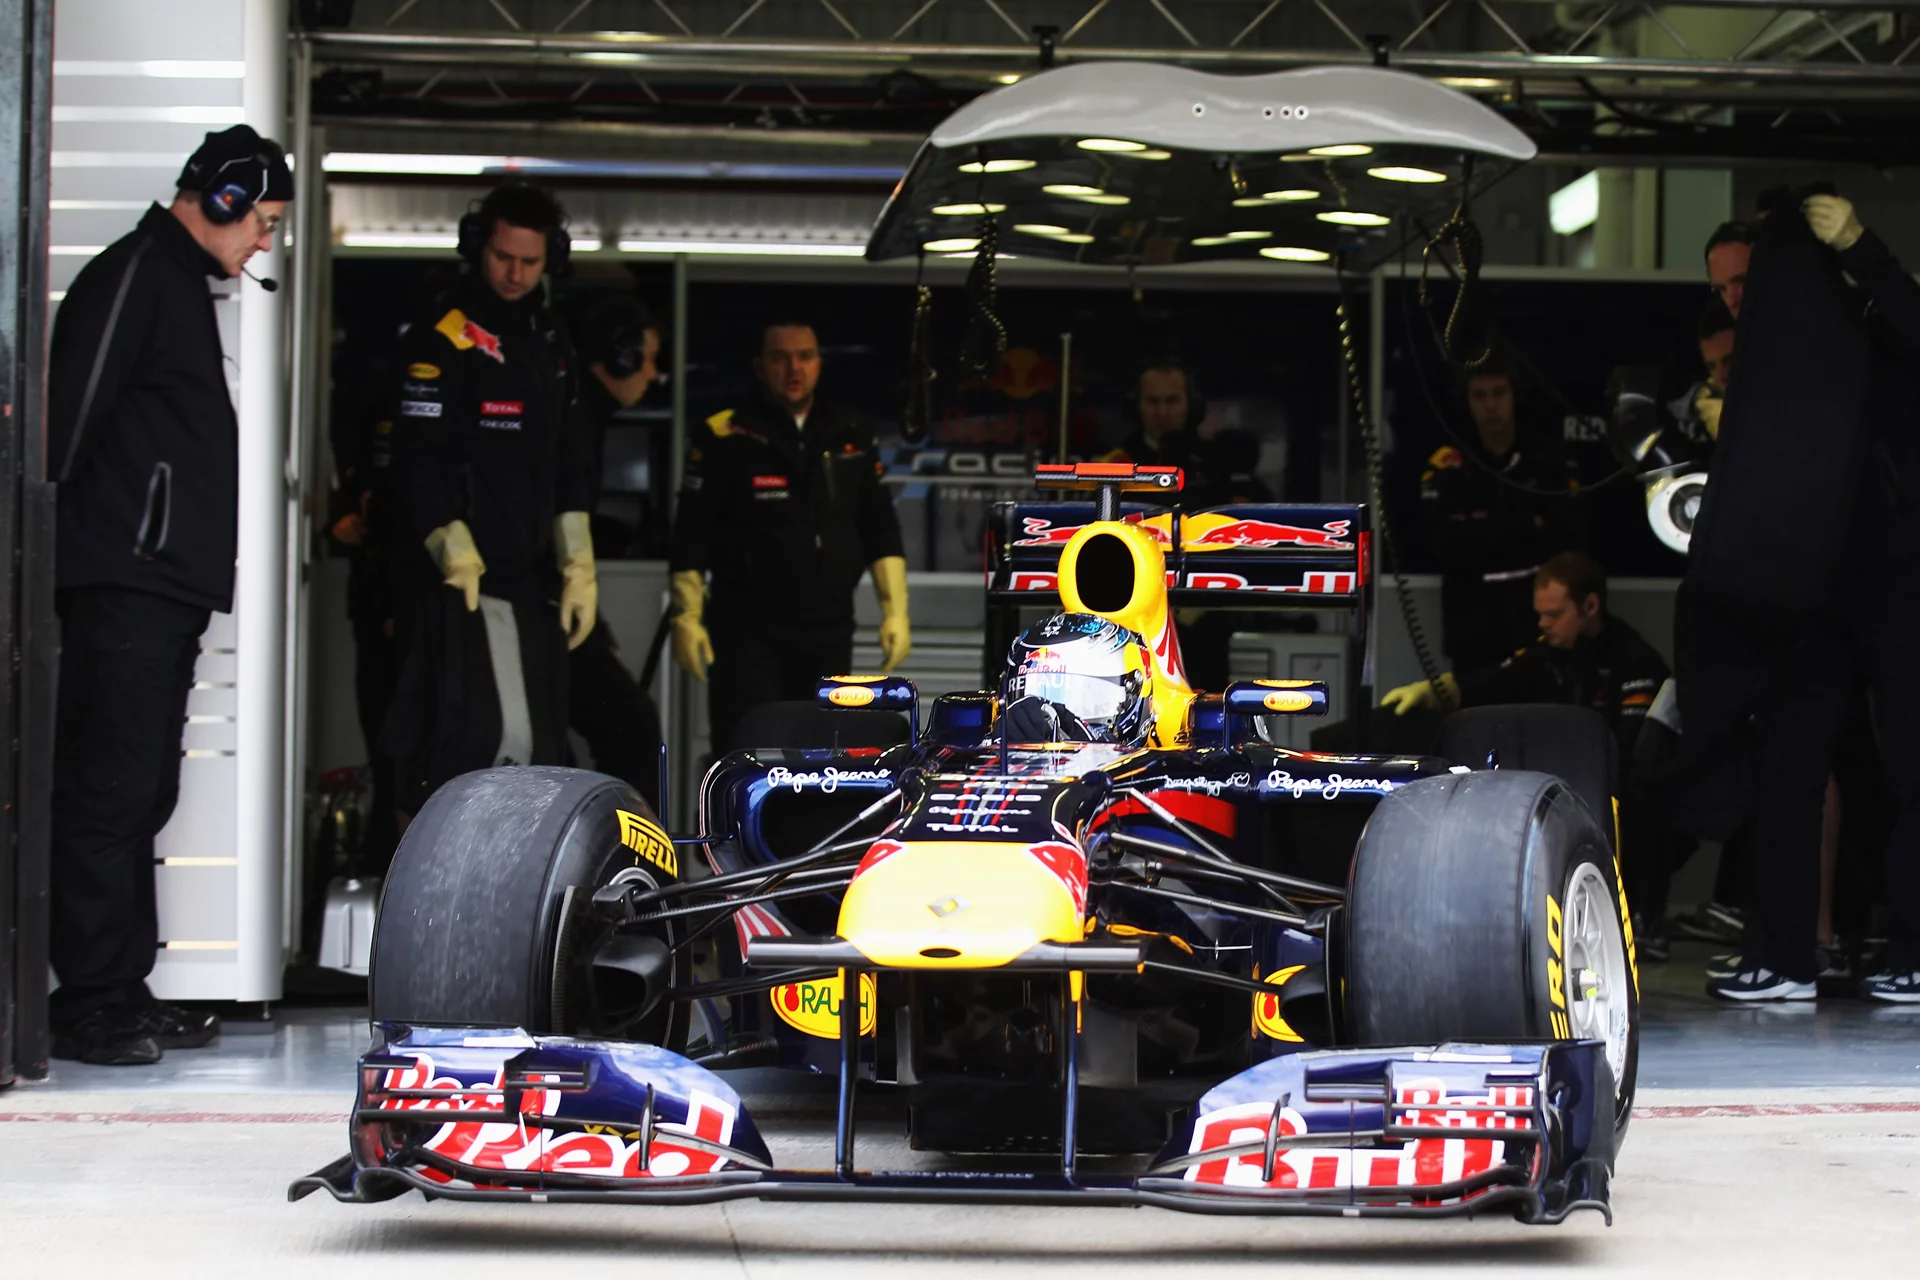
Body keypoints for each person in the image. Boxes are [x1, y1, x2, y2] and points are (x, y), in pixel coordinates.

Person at [44, 125, 293, 1065]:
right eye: (262, 220)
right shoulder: (137, 275)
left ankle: (122, 984)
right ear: (223, 200)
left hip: (161, 588)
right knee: (108, 792)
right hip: (123, 585)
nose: (263, 241)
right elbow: (66, 424)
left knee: (143, 788)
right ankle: (90, 1002)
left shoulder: (179, 287)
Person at [1677, 191, 1920, 1003]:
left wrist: (1865, 254)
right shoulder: (1759, 366)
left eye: (1747, 280)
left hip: (1896, 576)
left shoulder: (1871, 318)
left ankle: (1911, 949)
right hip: (1810, 583)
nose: (1737, 300)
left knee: (1913, 760)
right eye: (1726, 289)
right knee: (1787, 763)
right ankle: (1787, 954)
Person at [381, 182, 596, 812]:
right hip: (459, 583)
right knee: (472, 741)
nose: (515, 273)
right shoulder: (441, 336)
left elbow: (568, 461)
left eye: (530, 262)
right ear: (478, 248)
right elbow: (417, 456)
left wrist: (579, 563)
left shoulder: (551, 341)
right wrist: (450, 541)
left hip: (532, 578)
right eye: (504, 257)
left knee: (539, 741)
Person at [670, 321, 910, 755]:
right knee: (745, 748)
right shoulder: (725, 435)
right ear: (761, 366)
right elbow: (691, 530)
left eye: (804, 356)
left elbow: (879, 525)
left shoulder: (850, 432)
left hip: (828, 625)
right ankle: (731, 825)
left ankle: (815, 826)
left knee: (823, 751)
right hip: (746, 628)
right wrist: (686, 616)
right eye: (780, 358)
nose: (793, 367)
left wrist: (896, 612)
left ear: (819, 364)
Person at [1419, 355, 1579, 674]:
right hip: (1472, 633)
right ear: (1467, 401)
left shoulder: (1549, 460)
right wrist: (1524, 523)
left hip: (1538, 625)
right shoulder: (1448, 465)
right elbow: (1445, 546)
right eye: (1480, 395)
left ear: (1514, 395)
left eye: (1499, 393)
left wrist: (1482, 532)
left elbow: (1568, 540)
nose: (1491, 405)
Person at [567, 293, 666, 807]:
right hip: (535, 611)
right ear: (619, 356)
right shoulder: (573, 415)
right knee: (631, 728)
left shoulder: (584, 414)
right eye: (646, 358)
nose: (652, 374)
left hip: (553, 610)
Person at [1103, 359, 1221, 505]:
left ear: (1191, 404)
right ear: (1136, 406)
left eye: (1172, 401)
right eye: (1152, 401)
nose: (1162, 412)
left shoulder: (1216, 462)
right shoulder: (1116, 464)